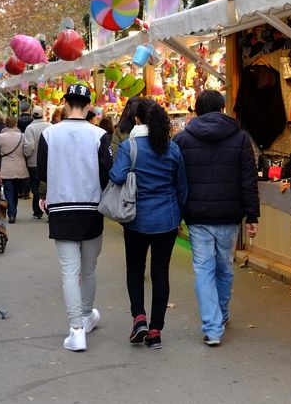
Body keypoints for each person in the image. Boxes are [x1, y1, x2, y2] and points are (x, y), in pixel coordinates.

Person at [173, 90, 259, 346]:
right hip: (230, 216)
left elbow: (176, 182)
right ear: (222, 108)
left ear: (196, 110)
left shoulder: (182, 140)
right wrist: (252, 215)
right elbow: (248, 179)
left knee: (203, 269)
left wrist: (177, 214)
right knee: (224, 267)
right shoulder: (241, 139)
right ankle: (220, 314)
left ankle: (212, 327)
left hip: (197, 217)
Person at [37, 84, 112, 352]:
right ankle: (86, 315)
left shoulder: (49, 134)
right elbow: (107, 173)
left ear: (66, 103)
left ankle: (76, 330)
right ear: (89, 106)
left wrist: (44, 195)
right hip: (91, 207)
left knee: (70, 270)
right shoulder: (99, 135)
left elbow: (43, 172)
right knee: (89, 268)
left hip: (61, 208)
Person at [109, 99, 187, 350]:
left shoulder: (129, 147)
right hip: (167, 219)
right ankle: (156, 331)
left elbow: (117, 176)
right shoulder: (172, 149)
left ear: (137, 120)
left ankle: (139, 318)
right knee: (160, 274)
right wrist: (179, 216)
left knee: (135, 269)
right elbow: (181, 187)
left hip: (136, 220)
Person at [0, 116, 28, 224]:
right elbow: (27, 150)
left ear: (5, 124)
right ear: (16, 124)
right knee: (15, 191)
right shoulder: (22, 136)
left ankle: (11, 213)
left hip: (5, 167)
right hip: (20, 167)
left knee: (8, 191)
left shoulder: (0, 137)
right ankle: (13, 211)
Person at [23, 106, 50, 220]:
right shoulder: (50, 126)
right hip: (49, 162)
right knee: (49, 187)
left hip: (34, 162)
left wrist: (27, 155)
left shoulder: (30, 128)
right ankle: (50, 211)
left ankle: (37, 211)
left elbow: (29, 146)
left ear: (32, 115)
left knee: (35, 187)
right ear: (43, 115)